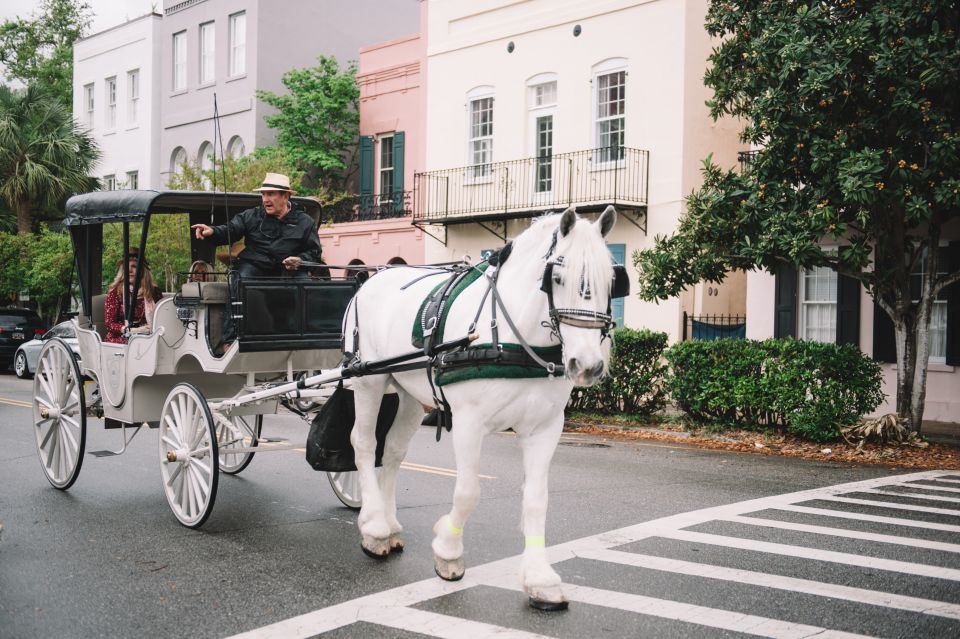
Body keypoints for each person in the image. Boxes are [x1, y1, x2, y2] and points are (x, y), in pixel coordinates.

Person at [189, 173, 321, 347]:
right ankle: (230, 339)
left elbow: (314, 252)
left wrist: (299, 259)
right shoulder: (252, 216)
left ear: (286, 196)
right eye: (263, 194)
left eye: (271, 194)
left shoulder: (305, 222)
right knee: (239, 278)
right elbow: (231, 229)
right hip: (255, 265)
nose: (265, 199)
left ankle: (304, 335)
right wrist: (212, 231)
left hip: (287, 271)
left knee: (305, 283)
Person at [103, 249, 163, 344]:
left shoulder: (154, 292)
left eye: (134, 266)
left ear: (143, 270)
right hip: (121, 339)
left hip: (149, 337)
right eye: (126, 267)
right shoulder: (115, 292)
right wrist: (133, 331)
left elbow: (162, 317)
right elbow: (110, 324)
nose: (130, 270)